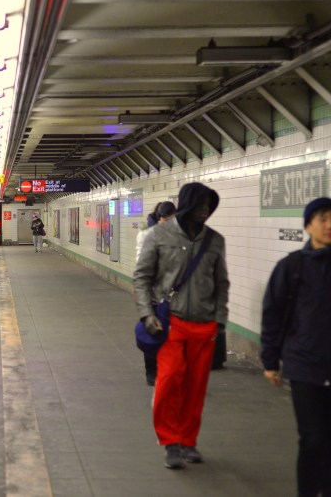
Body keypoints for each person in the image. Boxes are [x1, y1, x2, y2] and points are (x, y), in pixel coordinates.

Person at [260, 197, 331, 497]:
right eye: (322, 218)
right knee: (313, 439)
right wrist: (270, 361)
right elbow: (272, 316)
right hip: (304, 366)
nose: (330, 225)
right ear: (308, 226)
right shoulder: (291, 267)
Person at [134, 182, 229, 469]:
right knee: (168, 383)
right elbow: (142, 277)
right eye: (200, 204)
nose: (205, 210)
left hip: (204, 324)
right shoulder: (158, 235)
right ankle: (170, 441)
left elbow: (221, 283)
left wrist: (220, 319)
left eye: (208, 205)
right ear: (187, 205)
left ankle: (188, 441)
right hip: (170, 323)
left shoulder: (214, 240)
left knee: (195, 387)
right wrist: (146, 313)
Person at [134, 201, 177, 386]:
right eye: (167, 220)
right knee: (152, 331)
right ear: (159, 218)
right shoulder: (146, 235)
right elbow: (141, 267)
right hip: (153, 293)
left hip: (173, 295)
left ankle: (169, 370)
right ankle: (151, 371)